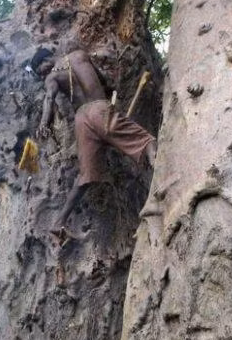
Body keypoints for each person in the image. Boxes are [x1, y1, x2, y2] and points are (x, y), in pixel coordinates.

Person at [33, 46, 157, 238]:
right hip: (97, 109)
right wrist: (107, 91)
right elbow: (105, 82)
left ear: (45, 60)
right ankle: (155, 163)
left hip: (82, 118)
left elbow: (49, 98)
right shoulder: (81, 55)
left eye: (38, 70)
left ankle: (59, 222)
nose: (41, 75)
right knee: (132, 137)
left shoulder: (52, 76)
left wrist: (43, 123)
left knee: (86, 175)